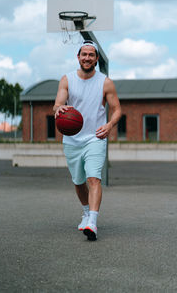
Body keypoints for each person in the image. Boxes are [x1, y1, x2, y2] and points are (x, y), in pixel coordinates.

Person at [53, 40, 121, 241]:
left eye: (91, 55)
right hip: (72, 139)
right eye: (84, 54)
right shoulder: (67, 79)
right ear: (78, 57)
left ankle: (92, 221)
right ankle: (85, 212)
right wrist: (59, 109)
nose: (87, 58)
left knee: (94, 178)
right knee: (78, 181)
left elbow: (117, 109)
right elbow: (57, 105)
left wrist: (109, 125)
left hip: (95, 137)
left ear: (97, 59)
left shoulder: (105, 82)